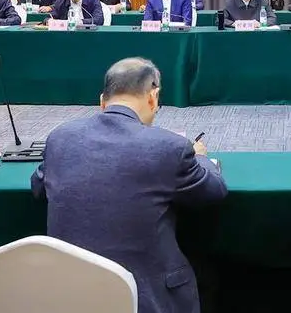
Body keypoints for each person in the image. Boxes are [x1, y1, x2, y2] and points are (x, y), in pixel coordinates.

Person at [31, 58, 227, 313]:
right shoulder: (170, 147)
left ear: (102, 101)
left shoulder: (60, 137)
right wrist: (200, 157)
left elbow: (38, 187)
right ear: (153, 97)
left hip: (70, 295)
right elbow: (213, 191)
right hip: (146, 298)